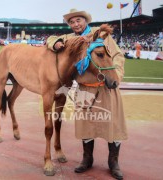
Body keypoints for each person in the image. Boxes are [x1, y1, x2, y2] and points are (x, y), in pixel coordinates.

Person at [47, 9, 127, 180]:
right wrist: (55, 43)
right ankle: (87, 159)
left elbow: (118, 56)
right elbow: (51, 39)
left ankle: (114, 162)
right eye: (72, 22)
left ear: (85, 21)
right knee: (86, 127)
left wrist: (116, 76)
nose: (76, 24)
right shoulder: (70, 39)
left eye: (78, 20)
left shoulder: (101, 34)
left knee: (112, 125)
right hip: (84, 89)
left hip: (106, 89)